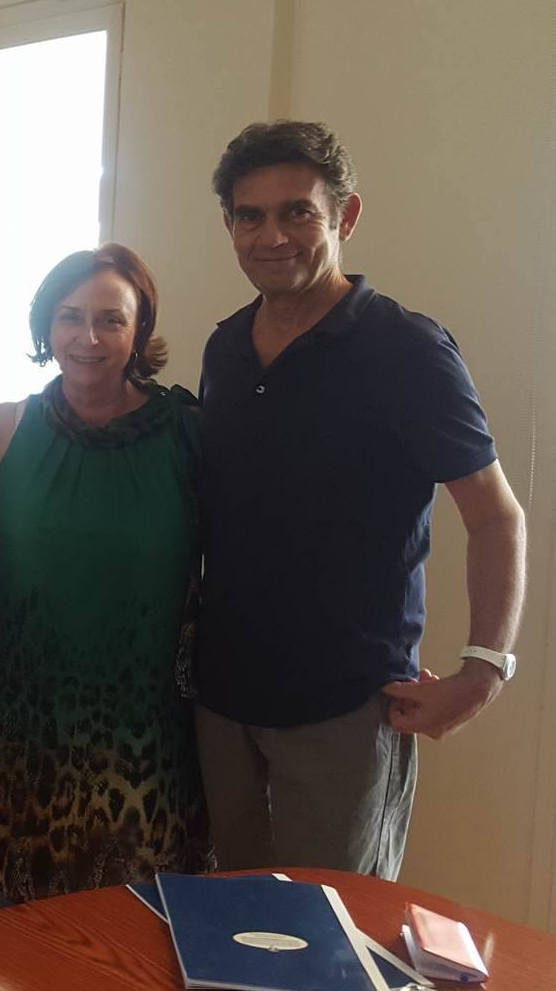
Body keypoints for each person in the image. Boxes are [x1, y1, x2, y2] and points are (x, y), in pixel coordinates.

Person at [193, 120, 527, 879]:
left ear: (344, 216)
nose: (272, 236)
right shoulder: (226, 347)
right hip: (222, 700)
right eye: (250, 216)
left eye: (297, 212)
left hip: (347, 705)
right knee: (235, 921)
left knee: (334, 928)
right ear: (229, 225)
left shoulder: (407, 351)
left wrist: (484, 669)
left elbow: (494, 515)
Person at [0, 244, 212, 901]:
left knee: (131, 934)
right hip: (17, 731)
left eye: (110, 319)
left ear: (140, 329)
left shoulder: (190, 433)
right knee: (6, 936)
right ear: (46, 325)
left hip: (144, 738)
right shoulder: (3, 430)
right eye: (70, 316)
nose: (87, 337)